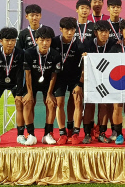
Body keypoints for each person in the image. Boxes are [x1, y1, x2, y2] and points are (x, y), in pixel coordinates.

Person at [22, 26, 61, 146]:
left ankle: (47, 134)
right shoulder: (29, 53)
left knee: (51, 103)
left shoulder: (55, 54)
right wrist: (29, 93)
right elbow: (27, 74)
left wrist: (49, 93)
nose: (45, 43)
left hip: (47, 83)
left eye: (48, 40)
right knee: (28, 102)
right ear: (37, 39)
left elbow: (54, 75)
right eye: (42, 40)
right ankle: (31, 134)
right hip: (31, 83)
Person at [0, 27, 25, 145]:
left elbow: (20, 74)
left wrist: (19, 94)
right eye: (7, 40)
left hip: (15, 82)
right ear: (1, 41)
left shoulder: (20, 53)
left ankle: (20, 135)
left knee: (19, 104)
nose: (10, 43)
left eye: (13, 40)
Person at [51, 17, 85, 145]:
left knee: (77, 100)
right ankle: (62, 133)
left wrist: (79, 84)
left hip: (74, 77)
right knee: (59, 103)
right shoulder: (54, 42)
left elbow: (83, 65)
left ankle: (75, 133)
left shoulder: (78, 44)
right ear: (61, 29)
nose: (70, 33)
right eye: (67, 30)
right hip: (59, 77)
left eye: (72, 30)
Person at [83, 20, 116, 143]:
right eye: (101, 32)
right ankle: (87, 133)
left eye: (107, 32)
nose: (104, 34)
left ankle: (102, 133)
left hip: (107, 80)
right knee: (89, 105)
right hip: (91, 79)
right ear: (96, 33)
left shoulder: (113, 44)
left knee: (104, 105)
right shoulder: (87, 44)